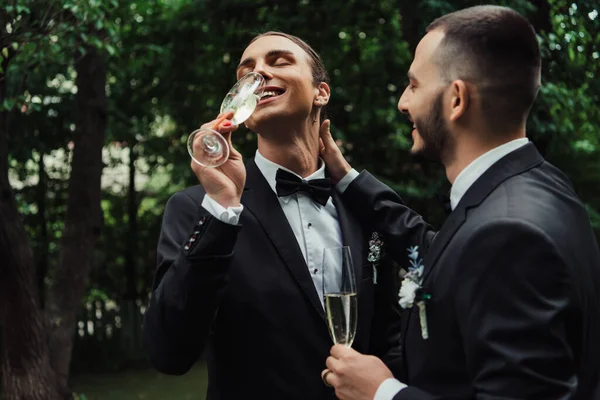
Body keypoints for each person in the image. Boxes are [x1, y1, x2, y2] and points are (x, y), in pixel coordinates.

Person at [318, 5, 600, 400]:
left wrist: (383, 393)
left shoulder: (507, 235)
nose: (402, 102)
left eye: (414, 85)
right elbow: (443, 253)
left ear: (456, 99)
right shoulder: (539, 185)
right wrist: (348, 179)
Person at [142, 31, 403, 400]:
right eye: (246, 71)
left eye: (279, 61)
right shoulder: (198, 208)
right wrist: (222, 208)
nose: (259, 73)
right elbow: (168, 352)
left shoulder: (365, 206)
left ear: (321, 93)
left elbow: (390, 340)